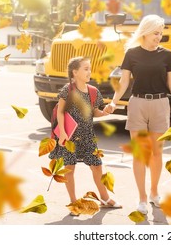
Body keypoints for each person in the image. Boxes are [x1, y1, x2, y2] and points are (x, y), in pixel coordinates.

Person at [103, 15, 171, 215]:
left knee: (157, 153)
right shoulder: (131, 54)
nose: (159, 37)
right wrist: (114, 102)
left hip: (160, 104)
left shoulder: (167, 55)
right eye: (156, 33)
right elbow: (123, 83)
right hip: (137, 104)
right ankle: (141, 198)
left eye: (161, 33)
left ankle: (154, 193)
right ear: (145, 32)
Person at [49, 56, 121, 215]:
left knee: (97, 166)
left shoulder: (93, 91)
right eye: (86, 68)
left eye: (90, 68)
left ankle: (104, 198)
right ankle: (74, 203)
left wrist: (105, 112)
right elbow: (60, 112)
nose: (89, 71)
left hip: (88, 136)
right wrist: (62, 133)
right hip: (70, 137)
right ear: (75, 72)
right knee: (69, 168)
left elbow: (95, 112)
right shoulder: (68, 90)